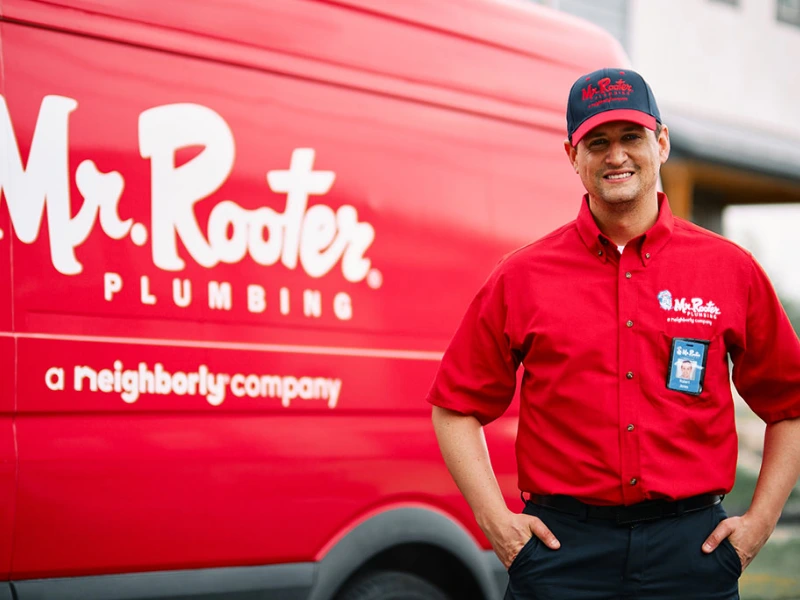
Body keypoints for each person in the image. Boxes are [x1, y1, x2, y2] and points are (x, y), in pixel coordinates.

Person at [426, 67, 800, 600]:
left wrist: (759, 525)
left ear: (662, 142)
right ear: (572, 157)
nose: (616, 155)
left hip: (692, 555)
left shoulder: (730, 270)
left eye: (631, 137)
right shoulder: (521, 276)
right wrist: (498, 524)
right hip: (561, 555)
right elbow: (454, 407)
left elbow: (790, 404)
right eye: (596, 142)